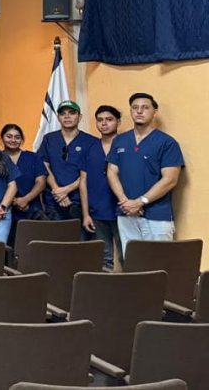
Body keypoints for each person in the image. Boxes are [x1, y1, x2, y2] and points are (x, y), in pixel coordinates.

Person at [107, 93, 184, 251]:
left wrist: (140, 202)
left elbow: (170, 179)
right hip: (126, 213)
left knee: (159, 264)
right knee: (133, 263)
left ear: (154, 112)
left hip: (156, 216)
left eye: (145, 107)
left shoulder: (167, 143)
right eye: (135, 108)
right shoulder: (120, 140)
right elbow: (111, 172)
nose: (139, 111)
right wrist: (126, 202)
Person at [39, 100, 97, 238]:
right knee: (56, 245)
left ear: (80, 117)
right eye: (63, 114)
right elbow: (44, 165)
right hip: (53, 201)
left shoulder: (91, 142)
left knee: (80, 245)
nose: (67, 116)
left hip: (79, 202)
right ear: (58, 117)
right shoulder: (49, 139)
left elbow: (90, 172)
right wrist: (57, 190)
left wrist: (66, 190)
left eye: (72, 113)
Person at [80, 105, 122, 269]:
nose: (104, 123)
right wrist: (86, 214)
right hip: (97, 211)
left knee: (126, 254)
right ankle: (108, 292)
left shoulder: (126, 144)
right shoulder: (90, 148)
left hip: (123, 210)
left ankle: (130, 291)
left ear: (118, 122)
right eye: (100, 120)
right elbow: (83, 181)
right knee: (104, 257)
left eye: (109, 119)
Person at [0, 123, 47, 249]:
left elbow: (41, 182)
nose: (13, 140)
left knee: (32, 249)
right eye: (9, 136)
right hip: (3, 212)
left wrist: (25, 199)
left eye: (17, 137)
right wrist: (11, 201)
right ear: (2, 138)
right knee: (6, 250)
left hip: (31, 211)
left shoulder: (33, 157)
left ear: (22, 139)